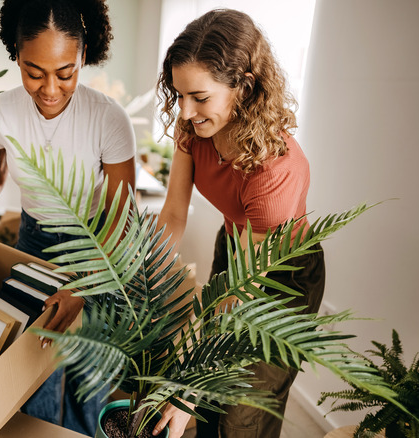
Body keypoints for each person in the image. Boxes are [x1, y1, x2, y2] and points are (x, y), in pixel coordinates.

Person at [0, 0, 135, 435]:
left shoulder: (108, 119)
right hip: (34, 242)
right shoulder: (3, 112)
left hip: (98, 251)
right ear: (16, 55)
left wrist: (84, 284)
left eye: (66, 73)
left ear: (83, 56)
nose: (49, 89)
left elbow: (122, 217)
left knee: (87, 372)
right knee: (32, 362)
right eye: (33, 72)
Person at [151, 9, 325, 438]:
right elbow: (174, 213)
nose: (186, 111)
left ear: (243, 86)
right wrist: (143, 271)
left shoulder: (277, 170)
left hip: (285, 277)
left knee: (242, 410)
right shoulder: (193, 127)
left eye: (200, 97)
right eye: (179, 95)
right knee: (208, 402)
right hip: (233, 247)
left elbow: (236, 295)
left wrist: (185, 386)